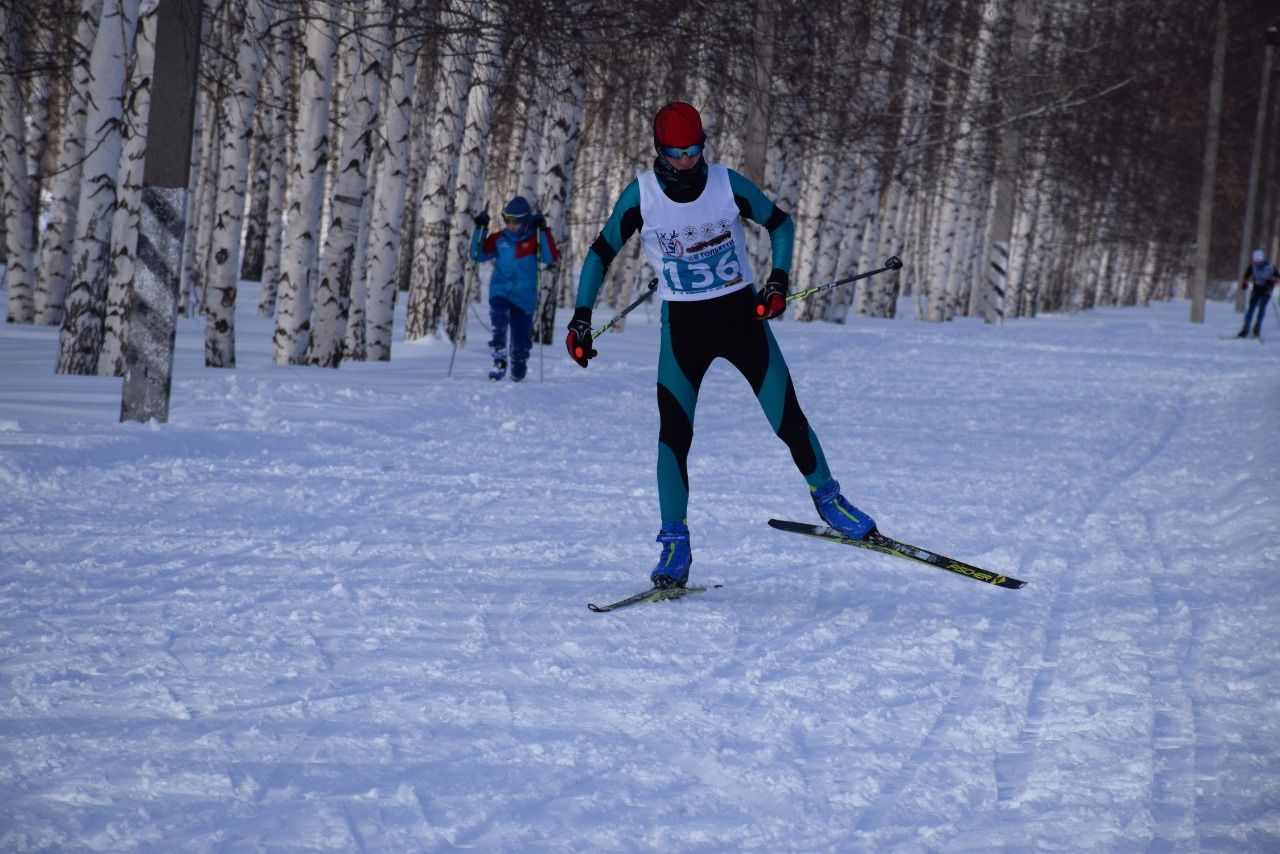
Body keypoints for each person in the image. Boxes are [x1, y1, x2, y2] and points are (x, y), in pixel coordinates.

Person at [565, 100, 877, 589]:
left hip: (740, 318)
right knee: (673, 435)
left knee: (788, 418)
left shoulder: (727, 184)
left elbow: (781, 224)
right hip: (684, 329)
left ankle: (830, 499)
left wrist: (777, 283)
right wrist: (581, 318)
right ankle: (674, 544)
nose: (688, 160)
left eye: (695, 150)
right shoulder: (642, 195)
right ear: (659, 151)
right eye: (677, 152)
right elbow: (601, 252)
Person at [470, 196, 559, 381]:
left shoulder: (535, 240)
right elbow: (477, 255)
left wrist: (543, 230)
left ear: (525, 221)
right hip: (500, 290)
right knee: (498, 312)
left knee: (520, 341)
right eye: (507, 220)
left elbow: (550, 258)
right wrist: (480, 229)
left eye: (515, 221)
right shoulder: (499, 239)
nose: (510, 225)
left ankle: (518, 368)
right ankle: (499, 355)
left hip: (524, 296)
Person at [1238, 248, 1278, 338]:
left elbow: (1277, 277)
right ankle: (1246, 328)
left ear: (1262, 259)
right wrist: (1245, 283)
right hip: (1257, 289)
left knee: (1262, 308)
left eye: (1259, 260)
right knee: (1251, 308)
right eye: (1256, 260)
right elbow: (1246, 276)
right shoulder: (1252, 267)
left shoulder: (1270, 266)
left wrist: (1271, 281)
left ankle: (1257, 327)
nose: (1258, 262)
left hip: (1267, 290)